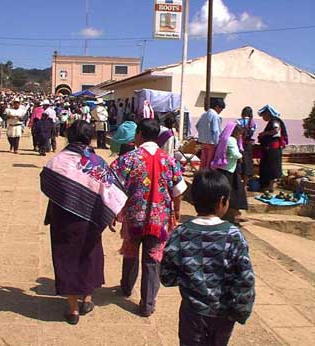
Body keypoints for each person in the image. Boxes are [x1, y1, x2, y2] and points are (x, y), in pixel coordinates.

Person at [40, 120, 127, 325]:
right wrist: (113, 214)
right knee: (89, 255)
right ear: (90, 138)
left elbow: (47, 181)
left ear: (69, 136)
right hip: (91, 219)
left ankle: (73, 309)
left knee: (66, 258)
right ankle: (87, 298)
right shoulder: (96, 162)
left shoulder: (57, 160)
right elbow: (111, 191)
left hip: (64, 219)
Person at [160, 169, 255, 346]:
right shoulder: (234, 235)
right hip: (223, 315)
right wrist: (240, 311)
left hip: (192, 313)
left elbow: (167, 275)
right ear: (222, 201)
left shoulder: (181, 233)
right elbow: (245, 279)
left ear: (194, 201)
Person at [110, 119, 187, 317]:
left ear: (139, 135)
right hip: (159, 219)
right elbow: (178, 191)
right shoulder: (169, 160)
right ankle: (148, 304)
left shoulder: (128, 159)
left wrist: (112, 212)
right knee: (153, 259)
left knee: (131, 252)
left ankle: (126, 287)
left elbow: (113, 186)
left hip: (134, 216)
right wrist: (176, 213)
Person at [211, 122, 248, 223]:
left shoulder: (223, 139)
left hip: (223, 168)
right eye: (239, 133)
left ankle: (228, 213)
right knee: (235, 192)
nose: (240, 136)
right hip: (229, 170)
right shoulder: (231, 140)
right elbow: (235, 154)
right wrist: (242, 156)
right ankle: (233, 215)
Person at [257, 105, 288, 192]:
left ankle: (271, 186)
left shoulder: (275, 121)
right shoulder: (272, 121)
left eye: (263, 115)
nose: (263, 117)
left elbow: (276, 130)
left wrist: (264, 134)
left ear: (268, 114)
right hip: (270, 149)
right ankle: (268, 185)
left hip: (273, 149)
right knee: (268, 166)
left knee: (272, 167)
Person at [196, 98, 225, 169]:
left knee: (203, 161)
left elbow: (197, 125)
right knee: (209, 163)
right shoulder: (215, 116)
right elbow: (215, 131)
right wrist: (217, 143)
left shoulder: (204, 115)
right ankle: (207, 177)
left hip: (203, 142)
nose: (221, 111)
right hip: (212, 143)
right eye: (221, 109)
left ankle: (201, 176)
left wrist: (202, 135)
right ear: (217, 107)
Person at [237, 107, 257, 187]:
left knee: (239, 163)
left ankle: (238, 183)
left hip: (239, 144)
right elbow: (252, 132)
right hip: (248, 145)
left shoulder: (239, 121)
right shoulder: (253, 122)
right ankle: (244, 185)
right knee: (247, 164)